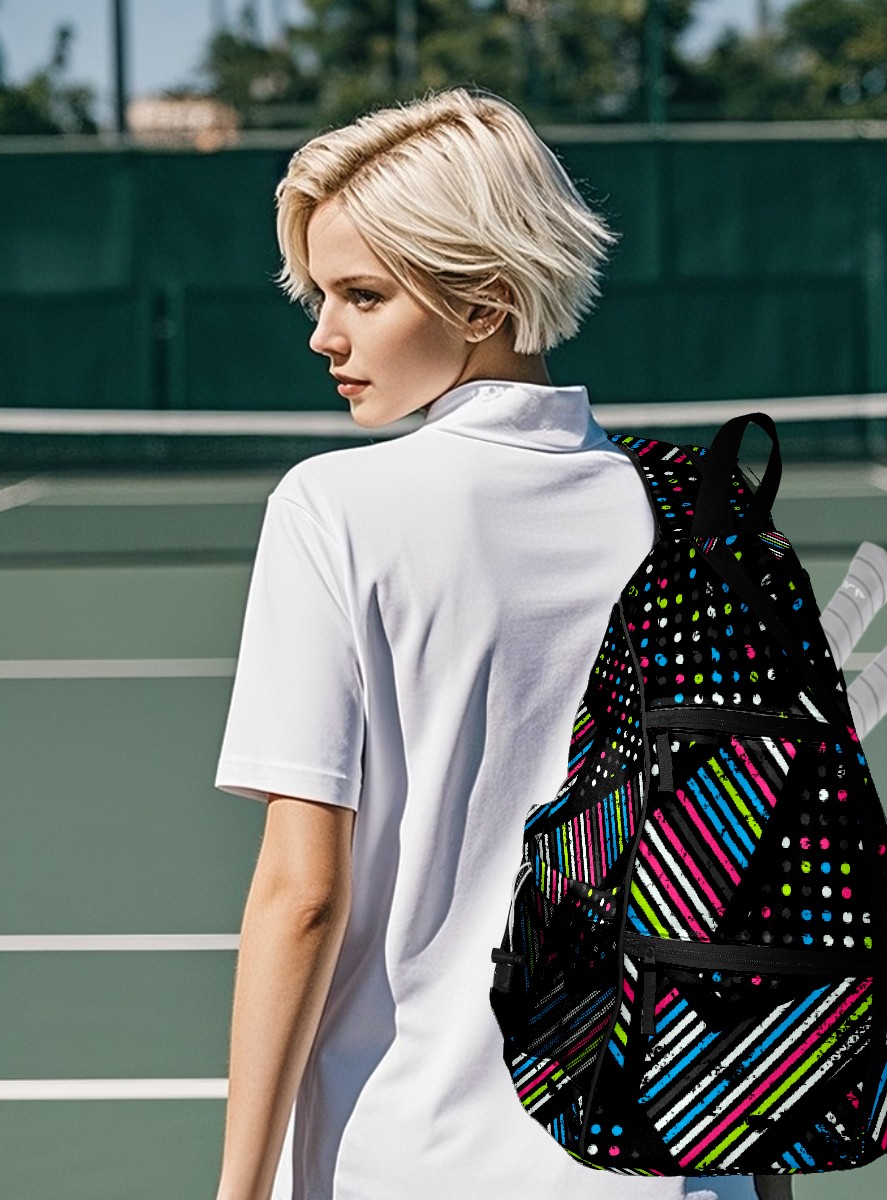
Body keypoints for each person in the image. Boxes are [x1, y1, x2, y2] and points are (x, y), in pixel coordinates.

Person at [212, 82, 793, 1200]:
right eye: (320, 295)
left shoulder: (331, 510)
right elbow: (746, 894)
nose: (324, 333)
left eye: (362, 294)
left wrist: (237, 1192)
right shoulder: (706, 516)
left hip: (408, 1163)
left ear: (483, 300)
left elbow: (303, 895)